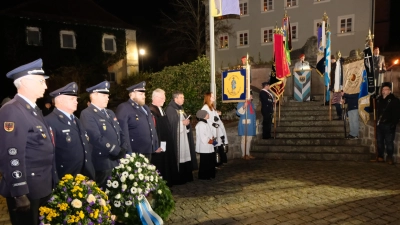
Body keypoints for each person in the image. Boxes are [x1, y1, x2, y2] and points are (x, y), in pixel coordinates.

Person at [0, 58, 56, 225]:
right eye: (41, 82)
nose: (45, 86)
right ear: (25, 82)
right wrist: (19, 192)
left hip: (41, 186)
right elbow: (11, 153)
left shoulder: (33, 109)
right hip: (28, 190)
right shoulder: (12, 109)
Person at [80, 81, 127, 189]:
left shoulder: (110, 112)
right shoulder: (87, 113)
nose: (107, 98)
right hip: (103, 162)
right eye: (104, 95)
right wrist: (115, 150)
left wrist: (123, 148)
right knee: (105, 195)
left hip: (116, 160)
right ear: (94, 96)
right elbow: (95, 137)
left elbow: (120, 132)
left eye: (107, 95)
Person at [44, 82, 95, 180]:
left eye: (76, 99)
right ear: (60, 100)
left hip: (83, 174)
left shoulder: (76, 120)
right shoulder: (49, 121)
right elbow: (49, 155)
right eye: (72, 99)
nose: (76, 102)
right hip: (65, 177)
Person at [116, 81, 161, 161]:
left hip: (148, 150)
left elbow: (151, 127)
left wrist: (155, 145)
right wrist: (128, 152)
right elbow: (123, 132)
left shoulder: (145, 108)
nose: (144, 96)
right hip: (135, 152)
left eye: (144, 94)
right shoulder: (124, 107)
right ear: (132, 94)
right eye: (141, 94)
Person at [165, 91, 198, 184]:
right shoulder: (170, 109)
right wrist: (181, 123)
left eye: (183, 97)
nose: (183, 99)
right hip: (177, 138)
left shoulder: (181, 108)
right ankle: (178, 178)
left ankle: (186, 176)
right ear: (176, 99)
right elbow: (171, 125)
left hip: (184, 137)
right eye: (181, 97)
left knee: (185, 155)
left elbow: (183, 120)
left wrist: (187, 123)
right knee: (178, 156)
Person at [148, 88, 179, 186]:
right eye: (162, 98)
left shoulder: (161, 110)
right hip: (159, 144)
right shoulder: (151, 111)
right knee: (160, 165)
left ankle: (168, 182)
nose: (164, 100)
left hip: (166, 143)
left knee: (167, 163)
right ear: (156, 98)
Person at [375, 82, 400, 165]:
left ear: (389, 91)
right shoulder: (379, 99)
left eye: (386, 89)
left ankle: (390, 157)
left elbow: (396, 113)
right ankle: (380, 156)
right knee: (379, 141)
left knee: (389, 142)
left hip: (389, 124)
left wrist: (394, 123)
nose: (384, 91)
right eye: (383, 89)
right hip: (380, 124)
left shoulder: (394, 100)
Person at [201, 92, 228, 167]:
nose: (214, 97)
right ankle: (214, 164)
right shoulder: (205, 107)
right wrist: (213, 122)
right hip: (211, 131)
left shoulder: (212, 107)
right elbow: (205, 118)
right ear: (208, 97)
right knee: (214, 146)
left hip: (216, 130)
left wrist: (217, 114)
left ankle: (218, 162)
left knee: (217, 146)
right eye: (212, 96)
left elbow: (214, 117)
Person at [195, 110, 216, 180]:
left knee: (210, 160)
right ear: (203, 115)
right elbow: (202, 137)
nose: (208, 114)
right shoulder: (200, 125)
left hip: (209, 145)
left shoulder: (205, 123)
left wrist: (212, 137)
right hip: (205, 146)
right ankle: (204, 175)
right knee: (205, 161)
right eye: (207, 113)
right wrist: (210, 141)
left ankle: (210, 174)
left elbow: (209, 133)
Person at [236, 92, 256, 159]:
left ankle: (247, 153)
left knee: (249, 139)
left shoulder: (251, 104)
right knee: (244, 139)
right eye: (251, 96)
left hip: (250, 124)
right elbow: (238, 113)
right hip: (245, 124)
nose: (252, 98)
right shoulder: (242, 102)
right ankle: (243, 154)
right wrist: (244, 106)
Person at [329, 54, 344, 120]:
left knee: (337, 102)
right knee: (336, 102)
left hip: (338, 87)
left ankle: (341, 115)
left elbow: (337, 77)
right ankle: (340, 115)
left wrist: (340, 58)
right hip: (335, 86)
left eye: (332, 59)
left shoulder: (337, 65)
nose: (331, 60)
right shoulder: (332, 66)